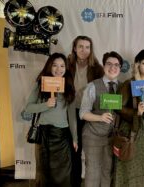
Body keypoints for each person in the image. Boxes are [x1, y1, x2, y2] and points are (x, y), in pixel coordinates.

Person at [24, 53, 77, 187]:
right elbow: (28, 108)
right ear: (49, 66)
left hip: (62, 136)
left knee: (63, 174)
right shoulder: (41, 83)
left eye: (62, 66)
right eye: (55, 65)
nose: (58, 69)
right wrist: (45, 105)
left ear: (66, 68)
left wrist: (75, 138)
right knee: (44, 174)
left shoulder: (69, 86)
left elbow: (71, 115)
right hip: (44, 135)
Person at [112, 49, 144, 187]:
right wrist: (135, 112)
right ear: (137, 65)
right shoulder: (128, 83)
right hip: (131, 130)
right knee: (129, 165)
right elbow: (118, 107)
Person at [79, 51, 123, 187]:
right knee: (93, 171)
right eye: (109, 64)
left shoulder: (123, 87)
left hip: (112, 137)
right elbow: (83, 113)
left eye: (116, 65)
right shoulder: (92, 86)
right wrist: (100, 117)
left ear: (120, 68)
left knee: (107, 171)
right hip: (93, 136)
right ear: (104, 66)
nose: (113, 67)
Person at [67, 35, 104, 187]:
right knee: (74, 151)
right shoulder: (67, 65)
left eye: (87, 47)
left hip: (89, 114)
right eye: (80, 47)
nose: (84, 50)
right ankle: (74, 183)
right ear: (75, 48)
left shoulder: (97, 68)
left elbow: (103, 89)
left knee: (90, 152)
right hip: (70, 112)